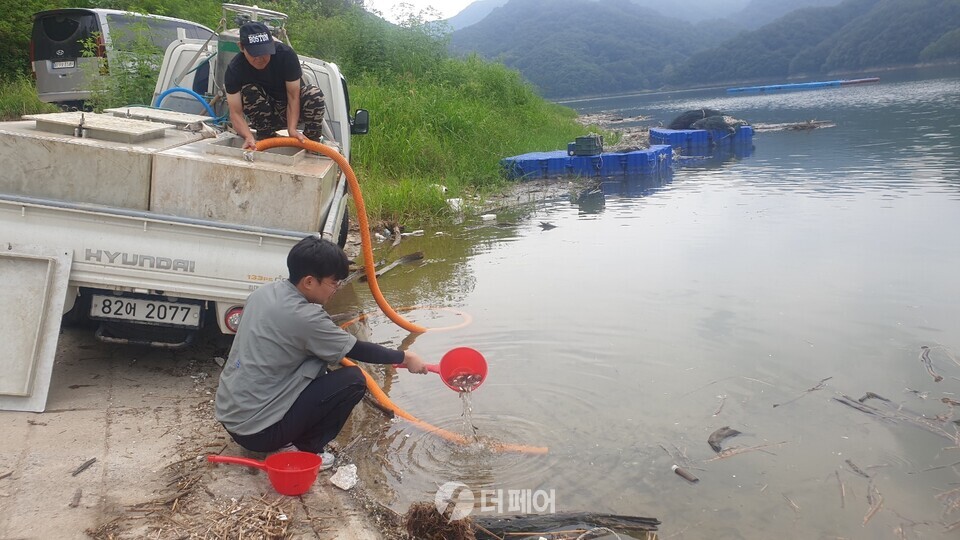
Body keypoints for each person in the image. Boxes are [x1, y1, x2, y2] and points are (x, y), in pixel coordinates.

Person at [215, 236, 428, 469]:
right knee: (353, 380)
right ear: (308, 281)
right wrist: (406, 358)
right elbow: (357, 349)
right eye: (333, 283)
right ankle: (301, 451)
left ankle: (284, 436)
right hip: (258, 432)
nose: (336, 290)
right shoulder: (306, 318)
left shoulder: (265, 293)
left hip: (232, 415)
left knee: (322, 365)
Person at [225, 21, 326, 151]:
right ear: (241, 47)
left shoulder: (286, 55)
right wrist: (248, 136)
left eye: (264, 52)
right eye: (254, 54)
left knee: (314, 93)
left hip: (290, 109)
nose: (260, 58)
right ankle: (266, 138)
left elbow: (293, 96)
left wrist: (292, 129)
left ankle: (312, 144)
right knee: (249, 92)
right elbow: (235, 113)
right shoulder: (235, 69)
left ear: (271, 44)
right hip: (265, 115)